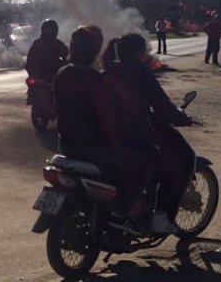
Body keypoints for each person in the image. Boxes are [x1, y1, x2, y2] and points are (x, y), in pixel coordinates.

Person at [53, 25, 157, 230]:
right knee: (145, 165)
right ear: (95, 49)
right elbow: (106, 119)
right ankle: (122, 213)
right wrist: (115, 142)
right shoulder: (95, 80)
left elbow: (55, 109)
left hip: (66, 145)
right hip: (93, 148)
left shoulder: (62, 73)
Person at [102, 33, 193, 233]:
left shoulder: (108, 70)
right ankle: (160, 217)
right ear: (139, 52)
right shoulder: (140, 71)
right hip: (135, 135)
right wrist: (182, 119)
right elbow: (161, 104)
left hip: (109, 135)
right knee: (171, 168)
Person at [25, 19, 68, 83]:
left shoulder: (36, 43)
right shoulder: (57, 44)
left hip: (41, 77)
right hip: (48, 77)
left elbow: (29, 61)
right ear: (55, 31)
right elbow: (68, 56)